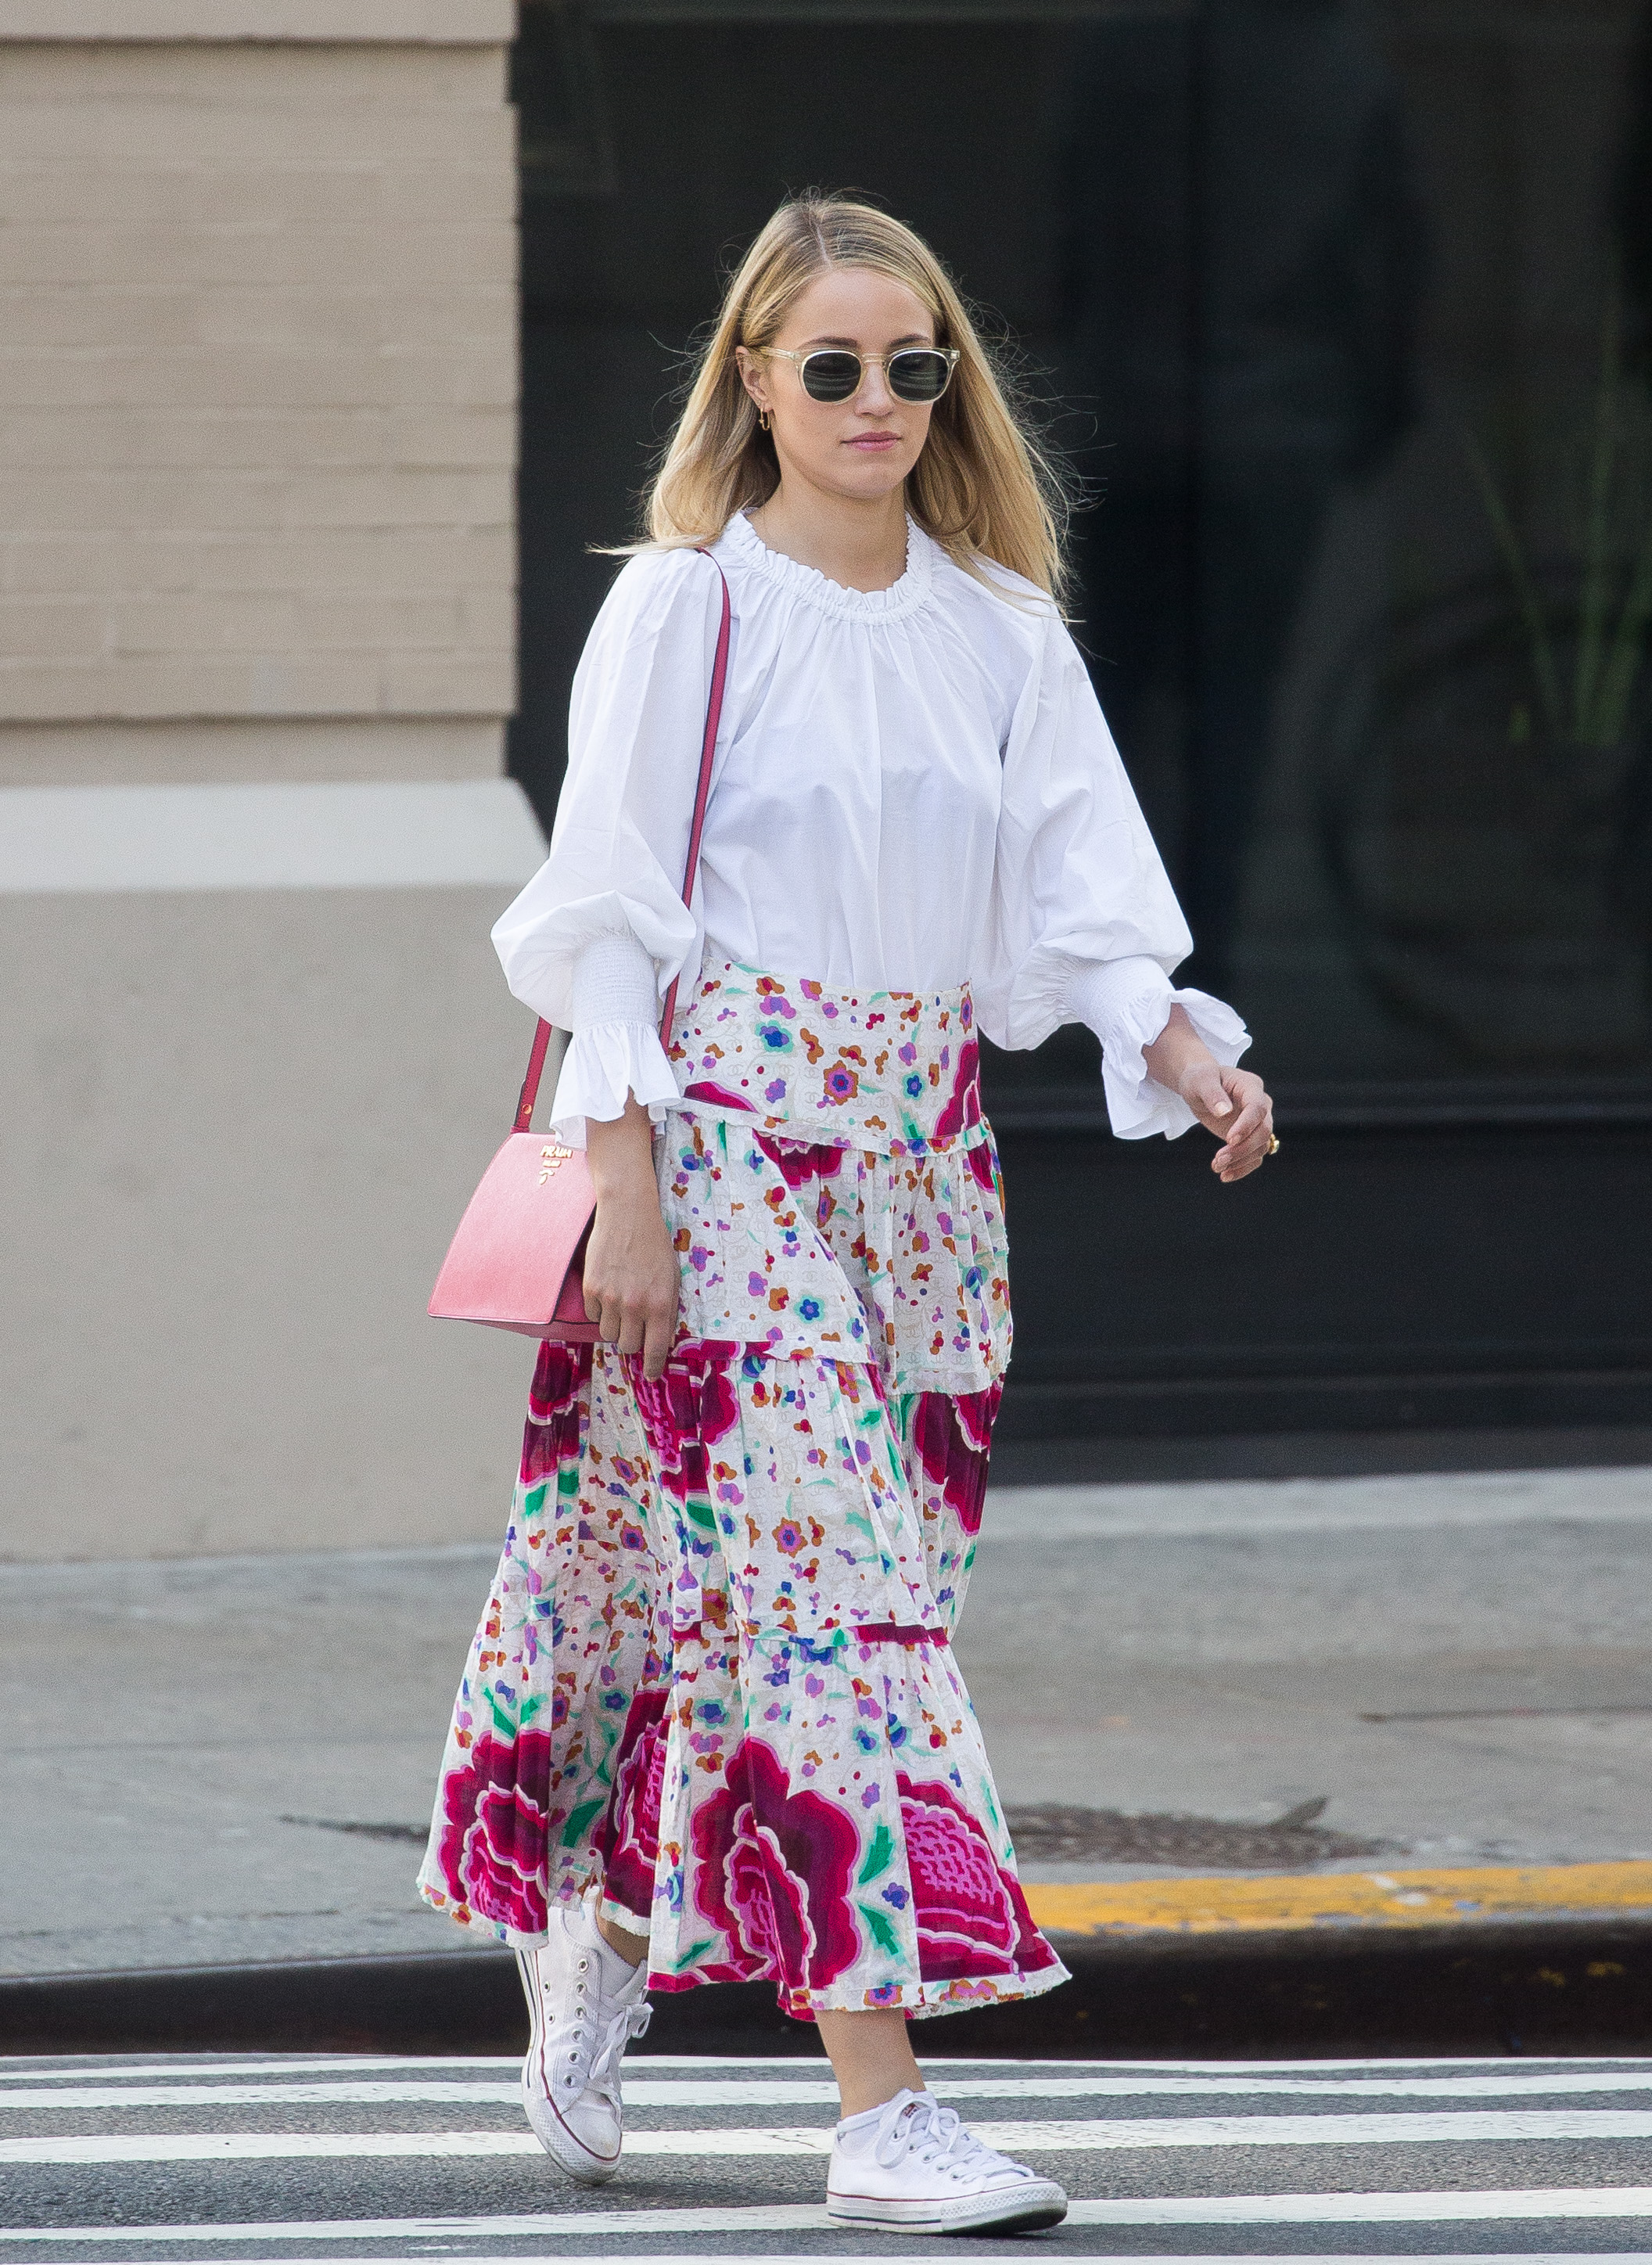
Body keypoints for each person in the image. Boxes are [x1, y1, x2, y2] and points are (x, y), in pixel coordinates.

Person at [418, 195, 1275, 2238]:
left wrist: (1183, 1052)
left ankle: (608, 1927)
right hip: (722, 1153)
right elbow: (605, 919)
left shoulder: (1001, 623)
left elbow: (1078, 891)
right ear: (756, 381)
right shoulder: (689, 608)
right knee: (832, 1623)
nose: (877, 399)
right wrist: (626, 1186)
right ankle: (885, 2112)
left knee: (825, 1618)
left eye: (914, 365)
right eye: (832, 366)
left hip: (924, 1170)